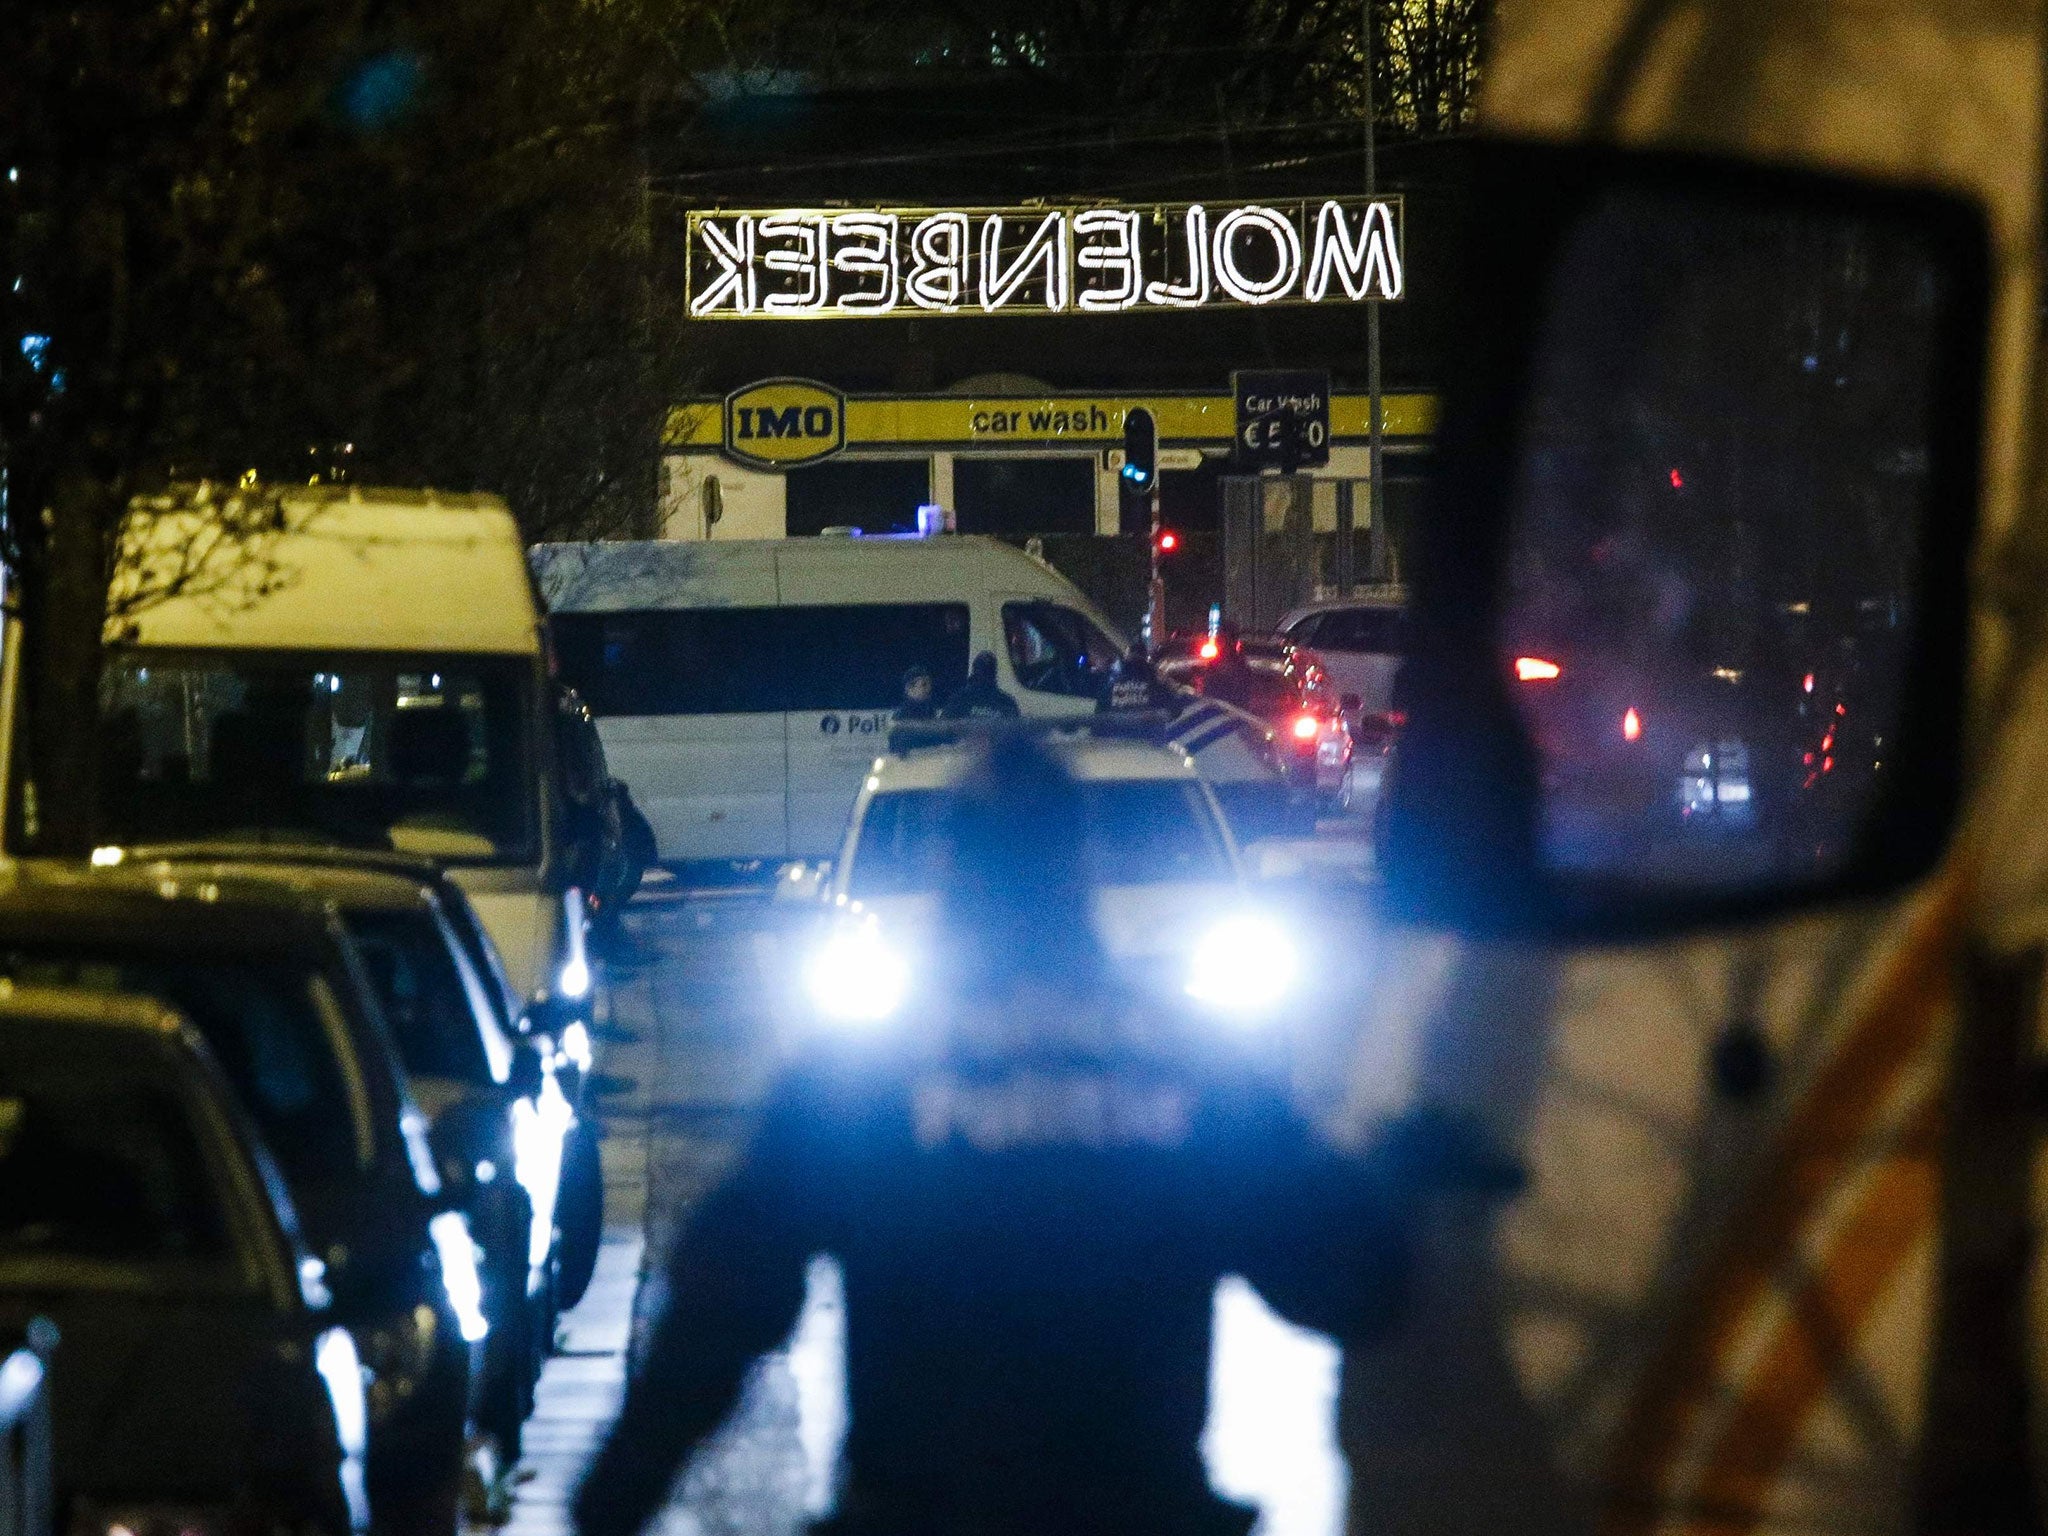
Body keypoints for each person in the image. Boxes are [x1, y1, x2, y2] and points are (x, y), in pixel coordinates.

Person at [573, 735, 1410, 1536]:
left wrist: (616, 1494)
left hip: (925, 1509)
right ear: (1079, 867)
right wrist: (1395, 1156)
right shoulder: (1189, 1060)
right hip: (1135, 1509)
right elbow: (1340, 1277)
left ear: (951, 868)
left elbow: (727, 1298)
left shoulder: (869, 1074)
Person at [939, 650, 1020, 720]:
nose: (985, 675)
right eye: (982, 671)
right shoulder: (959, 700)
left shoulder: (1006, 703)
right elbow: (945, 728)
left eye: (988, 672)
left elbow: (1014, 732)